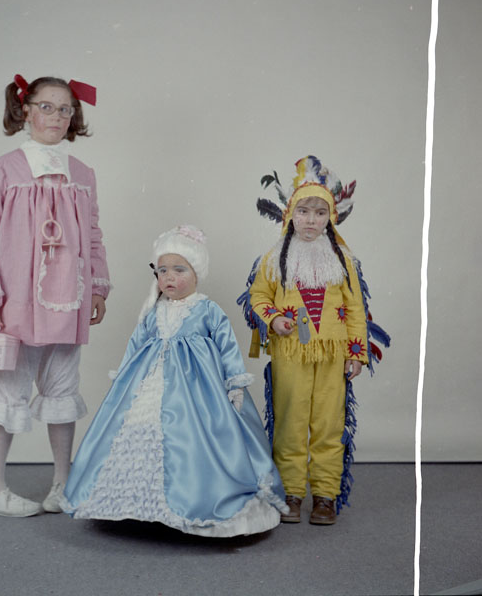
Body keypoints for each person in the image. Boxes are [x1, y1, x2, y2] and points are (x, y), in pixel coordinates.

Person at [62, 225, 288, 537]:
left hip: (198, 390)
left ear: (196, 273)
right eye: (163, 271)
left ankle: (192, 498)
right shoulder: (153, 311)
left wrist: (235, 381)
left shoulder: (206, 309)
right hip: (149, 380)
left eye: (179, 270)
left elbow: (227, 345)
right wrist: (123, 375)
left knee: (193, 438)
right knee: (137, 428)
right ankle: (137, 500)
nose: (169, 278)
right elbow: (136, 342)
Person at [0, 74, 111, 517]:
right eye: (46, 107)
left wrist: (98, 285)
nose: (56, 116)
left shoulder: (82, 174)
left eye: (65, 109)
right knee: (8, 391)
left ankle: (62, 485)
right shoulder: (5, 169)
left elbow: (93, 233)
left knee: (63, 389)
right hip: (17, 300)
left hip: (68, 299)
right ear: (26, 110)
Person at [239, 155, 389, 526]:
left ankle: (325, 495)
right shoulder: (274, 258)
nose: (311, 220)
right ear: (290, 214)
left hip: (333, 355)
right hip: (291, 353)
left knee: (329, 424)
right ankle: (290, 492)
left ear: (331, 217)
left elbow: (356, 308)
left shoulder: (343, 260)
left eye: (320, 213)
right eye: (303, 211)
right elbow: (258, 296)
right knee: (290, 421)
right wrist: (274, 319)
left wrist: (356, 354)